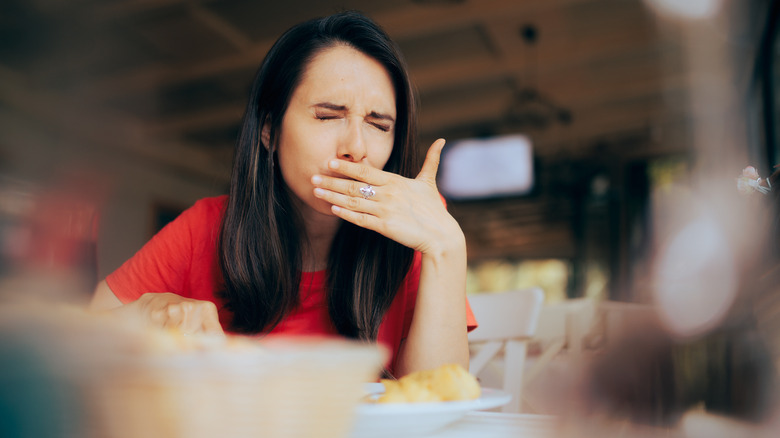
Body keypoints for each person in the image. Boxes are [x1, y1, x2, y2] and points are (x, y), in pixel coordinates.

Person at [89, 11, 476, 377]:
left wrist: (446, 247)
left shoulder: (419, 227)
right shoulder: (207, 227)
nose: (356, 148)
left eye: (379, 125)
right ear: (269, 130)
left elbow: (438, 396)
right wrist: (150, 313)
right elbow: (83, 336)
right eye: (328, 116)